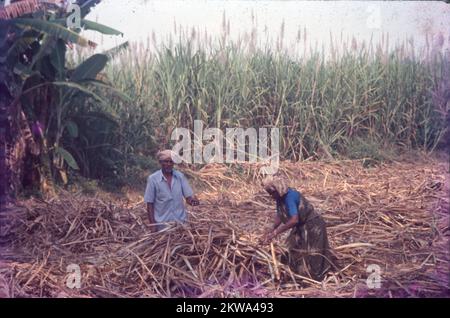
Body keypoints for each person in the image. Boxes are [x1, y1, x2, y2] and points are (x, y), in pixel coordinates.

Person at [260, 176, 337, 281]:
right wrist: (272, 228)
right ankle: (296, 274)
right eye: (269, 193)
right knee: (293, 250)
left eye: (272, 192)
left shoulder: (290, 197)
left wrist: (276, 233)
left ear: (278, 188)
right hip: (301, 226)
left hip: (313, 226)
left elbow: (294, 220)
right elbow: (280, 214)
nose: (271, 196)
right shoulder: (279, 197)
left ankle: (316, 280)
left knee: (314, 255)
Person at [144, 150, 199, 232]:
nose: (169, 164)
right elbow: (150, 203)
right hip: (162, 226)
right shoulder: (153, 179)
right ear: (160, 162)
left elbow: (188, 198)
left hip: (180, 224)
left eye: (171, 162)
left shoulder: (180, 177)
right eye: (166, 161)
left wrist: (193, 201)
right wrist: (153, 224)